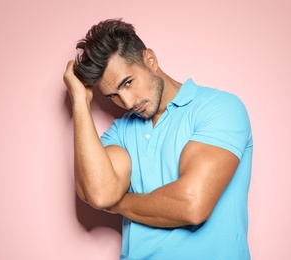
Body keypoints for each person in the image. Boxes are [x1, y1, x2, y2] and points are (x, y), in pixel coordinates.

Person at [63, 18, 253, 260]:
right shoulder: (120, 132)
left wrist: (118, 204)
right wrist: (79, 101)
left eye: (128, 83)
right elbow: (100, 194)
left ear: (149, 60)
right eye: (113, 96)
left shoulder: (219, 108)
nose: (129, 103)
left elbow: (192, 204)